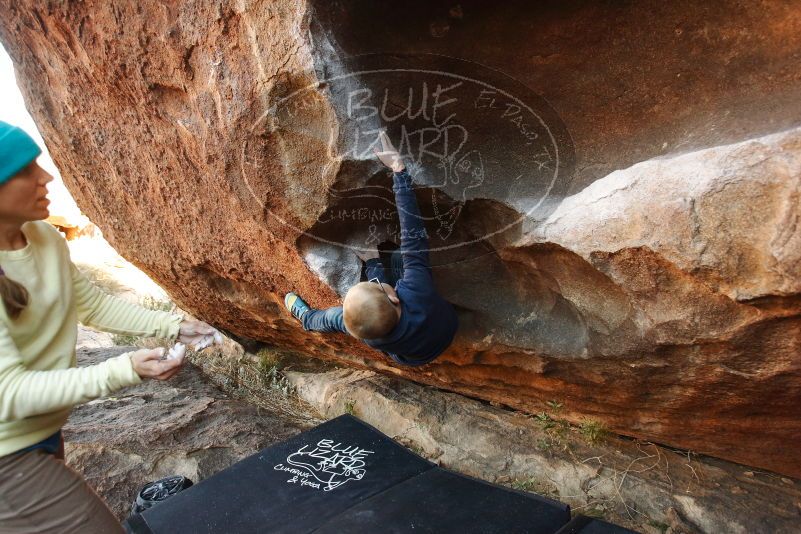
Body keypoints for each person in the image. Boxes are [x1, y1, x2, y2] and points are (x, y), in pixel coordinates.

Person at [0, 121, 220, 533]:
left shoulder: (43, 238)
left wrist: (174, 326)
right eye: (27, 170)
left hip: (38, 432)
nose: (46, 177)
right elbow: (7, 392)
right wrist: (124, 370)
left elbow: (92, 304)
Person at [285, 132, 458, 366]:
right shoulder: (417, 291)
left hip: (414, 356)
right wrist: (398, 169)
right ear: (394, 297)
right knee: (399, 257)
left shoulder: (371, 337)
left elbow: (332, 319)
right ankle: (376, 267)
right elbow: (413, 239)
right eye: (374, 284)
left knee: (332, 318)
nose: (375, 282)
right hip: (445, 328)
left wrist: (375, 265)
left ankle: (307, 319)